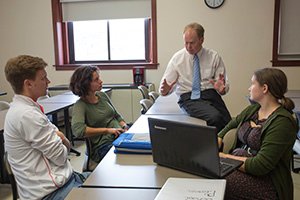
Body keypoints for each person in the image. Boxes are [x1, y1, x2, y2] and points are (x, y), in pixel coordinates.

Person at [4, 55, 89, 200]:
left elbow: (61, 146)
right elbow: (62, 156)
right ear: (28, 84)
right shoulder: (27, 115)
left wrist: (61, 138)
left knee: (106, 180)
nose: (48, 82)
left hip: (64, 180)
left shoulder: (29, 109)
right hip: (51, 193)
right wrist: (62, 138)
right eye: (43, 78)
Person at [218, 68, 297, 200]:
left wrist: (224, 157)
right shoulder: (253, 109)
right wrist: (219, 137)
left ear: (264, 88)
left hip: (268, 182)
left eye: (252, 84)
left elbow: (260, 166)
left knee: (219, 181)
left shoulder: (283, 123)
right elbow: (231, 125)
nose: (249, 88)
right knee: (212, 175)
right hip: (243, 166)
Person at [159, 22, 231, 132]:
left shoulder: (213, 57)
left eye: (192, 43)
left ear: (202, 40)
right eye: (186, 43)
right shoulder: (177, 58)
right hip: (188, 96)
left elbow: (223, 86)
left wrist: (222, 90)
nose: (188, 47)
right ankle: (213, 146)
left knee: (229, 123)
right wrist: (165, 90)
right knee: (215, 117)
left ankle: (225, 146)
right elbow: (164, 87)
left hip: (210, 94)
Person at [70, 65, 128, 169]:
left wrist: (124, 125)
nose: (101, 81)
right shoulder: (80, 105)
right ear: (86, 84)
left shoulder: (102, 96)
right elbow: (78, 130)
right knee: (130, 157)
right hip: (103, 145)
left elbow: (116, 115)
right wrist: (108, 130)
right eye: (96, 79)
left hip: (120, 135)